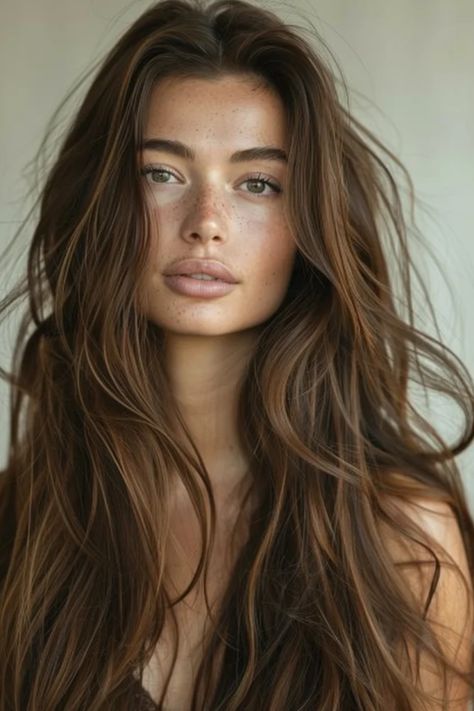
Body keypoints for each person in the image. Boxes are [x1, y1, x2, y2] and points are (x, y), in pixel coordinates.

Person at [0, 0, 473, 708]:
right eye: (162, 173)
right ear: (101, 201)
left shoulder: (399, 537)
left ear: (309, 221)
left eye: (258, 183)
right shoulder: (26, 519)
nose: (206, 225)